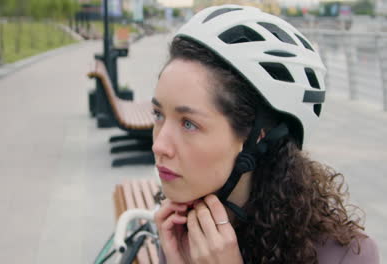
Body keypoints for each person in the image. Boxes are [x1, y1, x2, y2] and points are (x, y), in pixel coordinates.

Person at [151, 5, 380, 264]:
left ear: (258, 135)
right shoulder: (181, 231)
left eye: (189, 124)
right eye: (158, 114)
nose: (159, 145)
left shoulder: (347, 256)